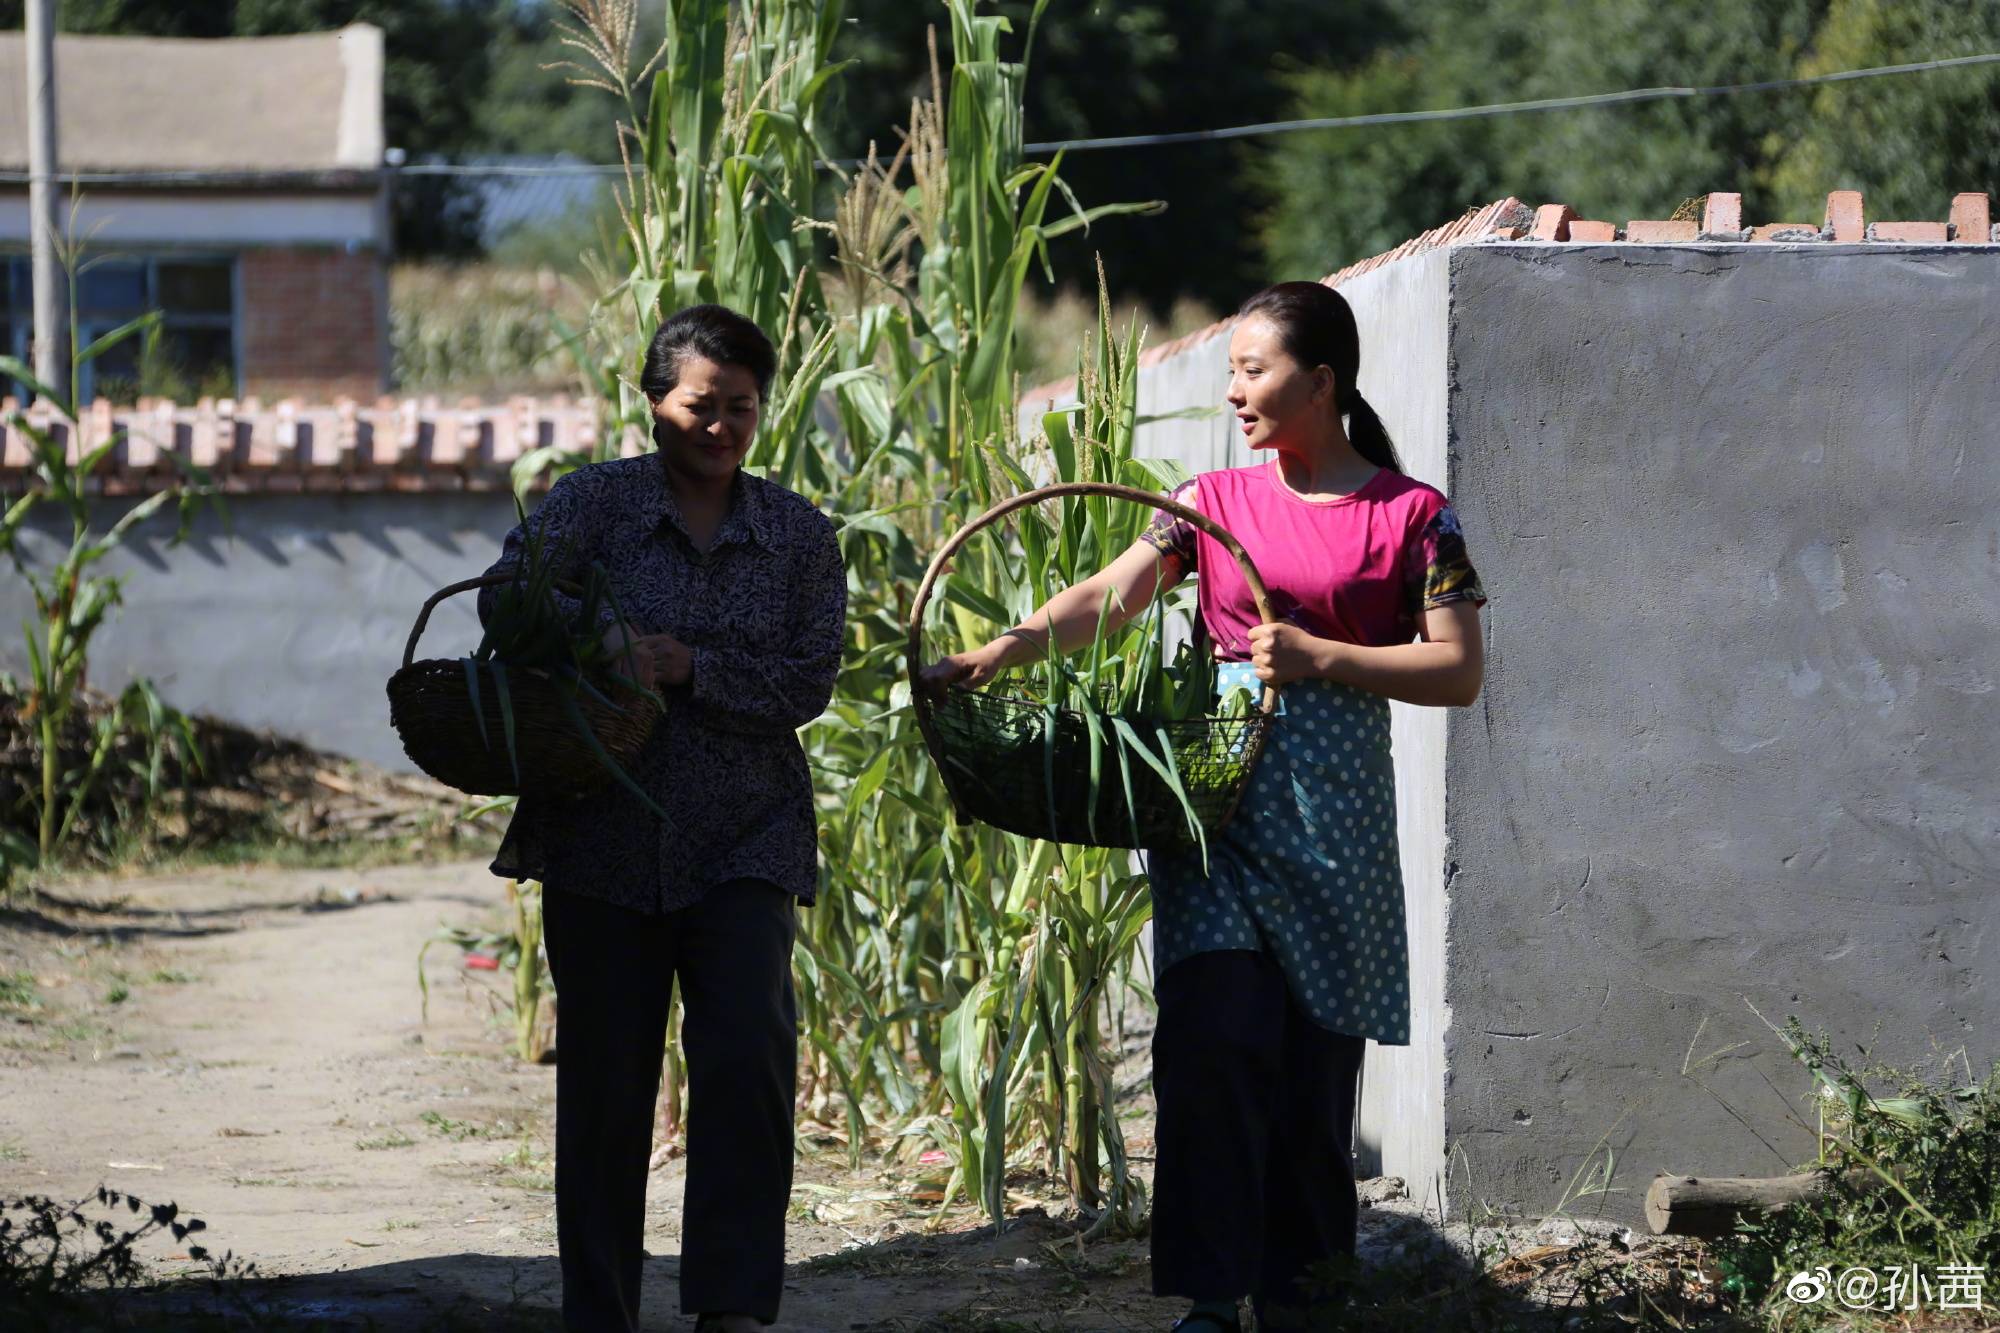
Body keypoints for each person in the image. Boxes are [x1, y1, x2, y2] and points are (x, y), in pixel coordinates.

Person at [919, 281, 1487, 1331]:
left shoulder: (1414, 517)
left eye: (1252, 369)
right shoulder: (1210, 506)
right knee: (1212, 1041)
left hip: (1337, 823)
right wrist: (999, 649)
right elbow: (1107, 596)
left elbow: (1456, 670)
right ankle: (1211, 1298)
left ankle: (1307, 1289)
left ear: (1321, 381)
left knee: (1314, 1079)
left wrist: (1324, 656)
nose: (1233, 390)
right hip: (1214, 812)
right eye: (1228, 369)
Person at [477, 304, 845, 1333]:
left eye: (740, 408)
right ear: (652, 403)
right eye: (698, 405)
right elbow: (507, 600)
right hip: (598, 833)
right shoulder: (588, 505)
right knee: (604, 1083)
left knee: (743, 1061)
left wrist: (692, 665)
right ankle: (600, 1309)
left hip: (746, 837)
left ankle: (729, 1306)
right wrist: (598, 636)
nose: (719, 426)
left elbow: (808, 679)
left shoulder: (798, 535)